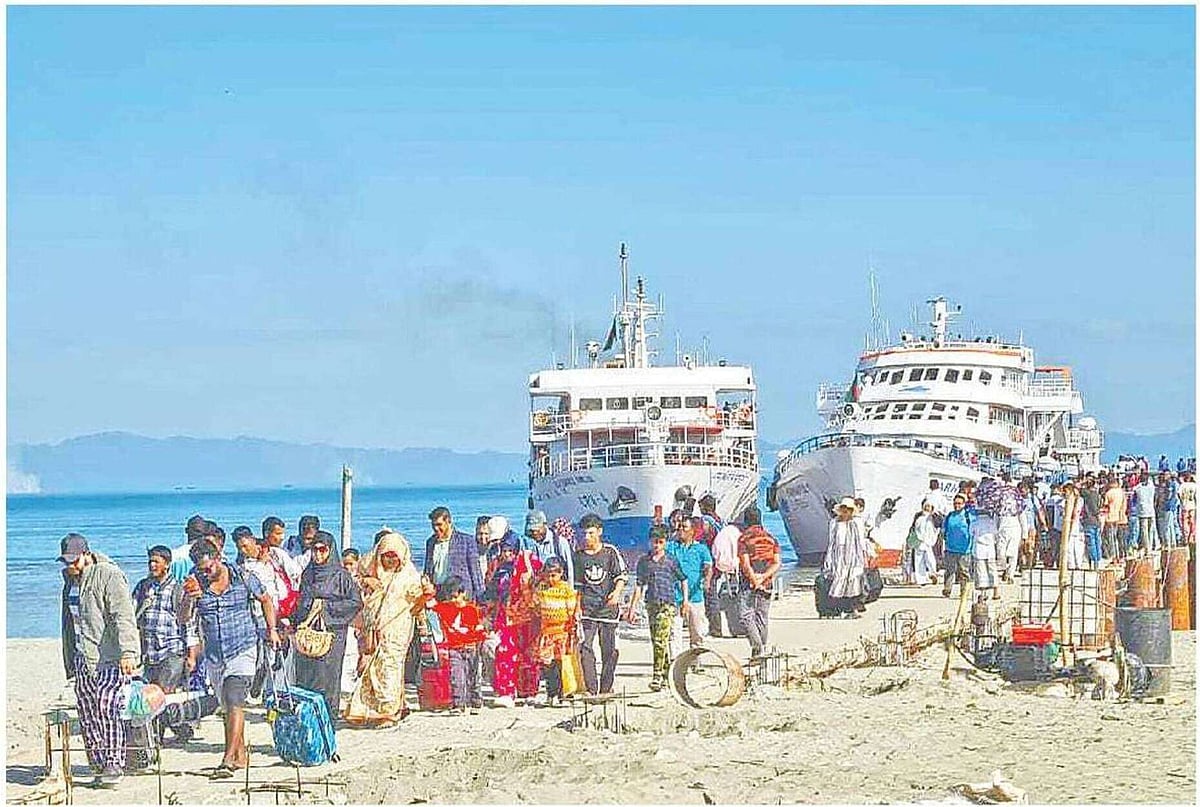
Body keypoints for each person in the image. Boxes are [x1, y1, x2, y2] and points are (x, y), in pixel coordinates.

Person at [178, 538, 280, 778]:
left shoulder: (242, 576)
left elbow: (265, 599)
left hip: (243, 647)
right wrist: (188, 597)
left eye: (209, 568)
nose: (206, 573)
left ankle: (226, 758)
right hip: (215, 654)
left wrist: (272, 629)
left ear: (218, 558)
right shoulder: (194, 582)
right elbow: (183, 618)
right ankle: (241, 754)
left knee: (235, 697)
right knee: (228, 707)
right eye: (201, 569)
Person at [58, 534, 140, 786]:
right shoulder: (70, 580)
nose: (70, 565)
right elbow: (69, 622)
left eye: (74, 560)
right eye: (66, 561)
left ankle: (114, 762)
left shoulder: (109, 575)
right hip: (83, 656)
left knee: (107, 707)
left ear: (86, 553)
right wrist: (70, 658)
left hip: (110, 656)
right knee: (87, 711)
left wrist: (129, 652)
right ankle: (98, 762)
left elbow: (123, 616)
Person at [346, 529, 425, 727]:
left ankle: (388, 713)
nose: (390, 560)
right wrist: (366, 582)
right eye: (386, 555)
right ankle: (382, 707)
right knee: (372, 667)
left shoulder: (409, 576)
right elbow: (355, 579)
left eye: (393, 555)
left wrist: (423, 619)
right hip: (373, 628)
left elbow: (418, 602)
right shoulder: (371, 570)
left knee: (390, 666)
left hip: (398, 629)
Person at [132, 545, 200, 743]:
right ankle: (181, 727)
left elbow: (188, 623)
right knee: (153, 694)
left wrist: (191, 654)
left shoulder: (178, 588)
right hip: (150, 651)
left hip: (172, 650)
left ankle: (156, 737)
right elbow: (132, 612)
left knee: (161, 693)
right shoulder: (143, 587)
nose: (152, 565)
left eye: (157, 562)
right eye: (150, 561)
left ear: (167, 564)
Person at [292, 532, 363, 717]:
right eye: (314, 550)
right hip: (308, 634)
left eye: (322, 550)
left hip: (332, 634)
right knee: (306, 677)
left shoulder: (341, 576)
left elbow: (355, 603)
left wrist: (325, 608)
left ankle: (328, 720)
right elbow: (300, 602)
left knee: (328, 677)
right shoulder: (308, 574)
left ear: (330, 551)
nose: (318, 555)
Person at [573, 513, 629, 696]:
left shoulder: (610, 552)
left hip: (607, 609)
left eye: (590, 533)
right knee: (585, 647)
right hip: (588, 609)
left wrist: (616, 593)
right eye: (584, 534)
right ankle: (591, 688)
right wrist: (577, 607)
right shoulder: (579, 556)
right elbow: (577, 586)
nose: (586, 537)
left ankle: (606, 686)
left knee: (609, 649)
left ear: (599, 532)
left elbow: (621, 576)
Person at [625, 526, 686, 691]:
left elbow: (683, 579)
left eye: (660, 542)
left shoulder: (671, 560)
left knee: (661, 640)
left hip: (668, 604)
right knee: (658, 641)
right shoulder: (644, 562)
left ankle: (657, 675)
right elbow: (639, 585)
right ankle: (667, 674)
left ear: (665, 542)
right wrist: (632, 608)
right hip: (651, 604)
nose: (657, 545)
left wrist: (685, 601)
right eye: (654, 542)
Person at [487, 533, 543, 706]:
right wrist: (488, 614)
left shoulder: (531, 562)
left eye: (511, 550)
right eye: (504, 550)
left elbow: (543, 579)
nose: (507, 554)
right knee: (504, 652)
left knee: (529, 653)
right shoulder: (499, 566)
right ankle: (506, 692)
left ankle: (528, 691)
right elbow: (491, 592)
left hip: (529, 616)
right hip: (507, 616)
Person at [429, 575, 487, 714]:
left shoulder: (472, 610)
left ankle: (475, 702)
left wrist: (481, 640)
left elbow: (478, 629)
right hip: (454, 649)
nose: (453, 601)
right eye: (450, 597)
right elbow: (429, 602)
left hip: (471, 648)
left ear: (463, 594)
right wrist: (426, 586)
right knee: (457, 677)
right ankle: (458, 704)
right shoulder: (445, 607)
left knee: (473, 677)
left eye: (456, 597)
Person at [532, 557, 580, 706]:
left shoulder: (566, 589)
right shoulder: (542, 589)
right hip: (547, 633)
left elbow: (572, 610)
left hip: (563, 632)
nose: (550, 579)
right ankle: (551, 694)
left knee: (563, 664)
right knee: (548, 665)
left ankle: (564, 694)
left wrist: (573, 628)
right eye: (548, 575)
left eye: (554, 575)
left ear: (561, 573)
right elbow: (535, 605)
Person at [737, 504, 783, 659]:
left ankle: (757, 647)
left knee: (745, 615)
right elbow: (777, 563)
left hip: (749, 582)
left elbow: (745, 563)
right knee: (762, 616)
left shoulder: (744, 539)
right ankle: (761, 648)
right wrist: (763, 577)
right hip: (767, 581)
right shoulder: (771, 538)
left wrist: (754, 580)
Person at [667, 516, 713, 648]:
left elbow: (708, 566)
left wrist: (707, 581)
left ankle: (695, 662)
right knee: (674, 633)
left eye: (684, 527)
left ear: (692, 531)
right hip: (675, 596)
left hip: (695, 595)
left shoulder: (701, 549)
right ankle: (676, 662)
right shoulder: (671, 546)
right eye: (679, 526)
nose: (680, 529)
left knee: (697, 632)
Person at [424, 507, 485, 602]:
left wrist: (481, 598)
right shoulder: (430, 542)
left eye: (439, 525)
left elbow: (475, 572)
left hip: (460, 595)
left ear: (449, 522)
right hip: (438, 593)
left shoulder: (466, 541)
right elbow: (428, 569)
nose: (436, 529)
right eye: (433, 525)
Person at [822, 499, 868, 620]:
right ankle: (839, 609)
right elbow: (831, 542)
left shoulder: (856, 523)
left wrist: (864, 556)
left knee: (853, 581)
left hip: (853, 554)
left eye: (848, 509)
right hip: (838, 555)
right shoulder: (834, 523)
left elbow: (860, 541)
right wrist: (829, 559)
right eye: (844, 509)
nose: (846, 512)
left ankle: (852, 609)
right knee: (839, 580)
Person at [708, 520, 744, 638]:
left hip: (722, 568)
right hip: (736, 568)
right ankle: (740, 628)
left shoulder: (721, 535)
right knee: (738, 599)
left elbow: (716, 551)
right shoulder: (735, 534)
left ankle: (731, 628)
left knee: (727, 599)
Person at [525, 509, 576, 587]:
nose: (535, 533)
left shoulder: (560, 542)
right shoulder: (528, 544)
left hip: (560, 589)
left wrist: (570, 590)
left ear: (545, 525)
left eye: (538, 530)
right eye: (532, 531)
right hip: (540, 589)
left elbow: (569, 569)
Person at [941, 494, 973, 597]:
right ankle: (947, 589)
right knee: (949, 570)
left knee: (964, 572)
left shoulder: (968, 516)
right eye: (955, 503)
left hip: (964, 549)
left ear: (964, 504)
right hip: (950, 548)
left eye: (959, 503)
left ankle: (964, 591)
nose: (956, 506)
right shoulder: (949, 516)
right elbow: (943, 530)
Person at [909, 502, 939, 586]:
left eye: (929, 506)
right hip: (919, 542)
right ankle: (921, 580)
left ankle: (933, 573)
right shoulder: (919, 517)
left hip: (929, 542)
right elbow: (914, 528)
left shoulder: (933, 517)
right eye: (926, 506)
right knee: (919, 561)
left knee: (930, 559)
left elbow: (938, 525)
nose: (927, 508)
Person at [1102, 478, 1128, 561]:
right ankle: (1119, 555)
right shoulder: (1121, 492)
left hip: (1109, 517)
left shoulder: (1108, 493)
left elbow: (1106, 506)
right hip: (1118, 517)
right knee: (1116, 538)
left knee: (1110, 538)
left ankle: (1112, 556)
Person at [1079, 478, 1103, 569]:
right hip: (1096, 521)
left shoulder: (1087, 494)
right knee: (1097, 542)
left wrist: (1083, 481)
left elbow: (1077, 487)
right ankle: (1097, 562)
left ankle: (1093, 562)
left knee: (1091, 543)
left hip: (1089, 520)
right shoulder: (1097, 495)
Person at [1134, 474, 1158, 552]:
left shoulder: (1138, 488)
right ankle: (1151, 546)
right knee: (1151, 529)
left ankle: (1147, 547)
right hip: (1151, 510)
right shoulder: (1151, 487)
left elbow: (1134, 497)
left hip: (1142, 511)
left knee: (1144, 531)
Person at [1179, 473, 1196, 545]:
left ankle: (1185, 537)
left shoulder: (1182, 485)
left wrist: (1182, 501)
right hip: (1192, 505)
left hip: (1185, 506)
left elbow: (1179, 494)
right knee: (1192, 521)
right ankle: (1192, 536)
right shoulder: (1194, 485)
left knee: (1185, 522)